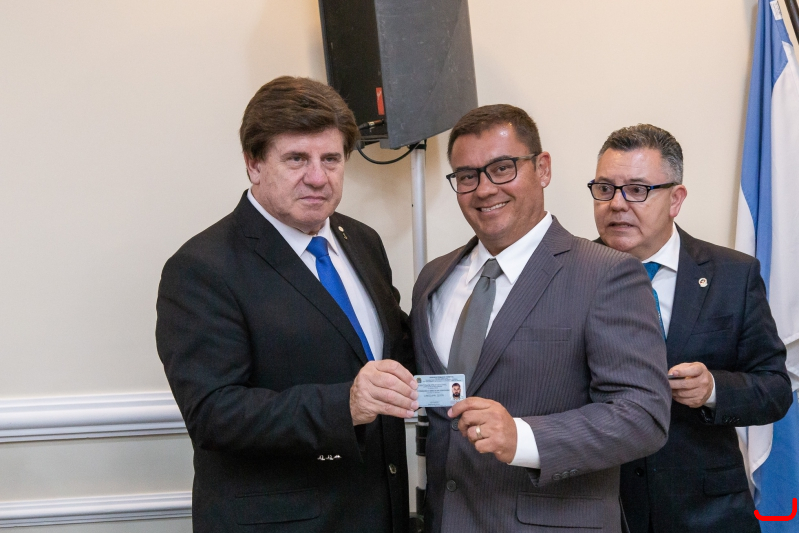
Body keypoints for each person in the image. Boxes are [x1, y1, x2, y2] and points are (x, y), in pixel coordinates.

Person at [156, 76, 418, 533]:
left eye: (330, 159)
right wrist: (345, 404)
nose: (317, 177)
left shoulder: (363, 241)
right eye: (297, 158)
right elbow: (214, 414)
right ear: (253, 164)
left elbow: (392, 352)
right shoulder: (202, 267)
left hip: (380, 514)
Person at [411, 104, 672, 532]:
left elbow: (643, 416)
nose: (484, 189)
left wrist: (524, 438)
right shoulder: (434, 278)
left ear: (543, 168)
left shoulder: (607, 274)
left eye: (502, 168)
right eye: (467, 176)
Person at [590, 124, 792, 533]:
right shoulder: (569, 274)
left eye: (637, 190)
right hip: (602, 508)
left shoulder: (732, 275)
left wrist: (713, 389)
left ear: (676, 199)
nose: (616, 204)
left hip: (707, 513)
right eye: (605, 189)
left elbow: (775, 389)